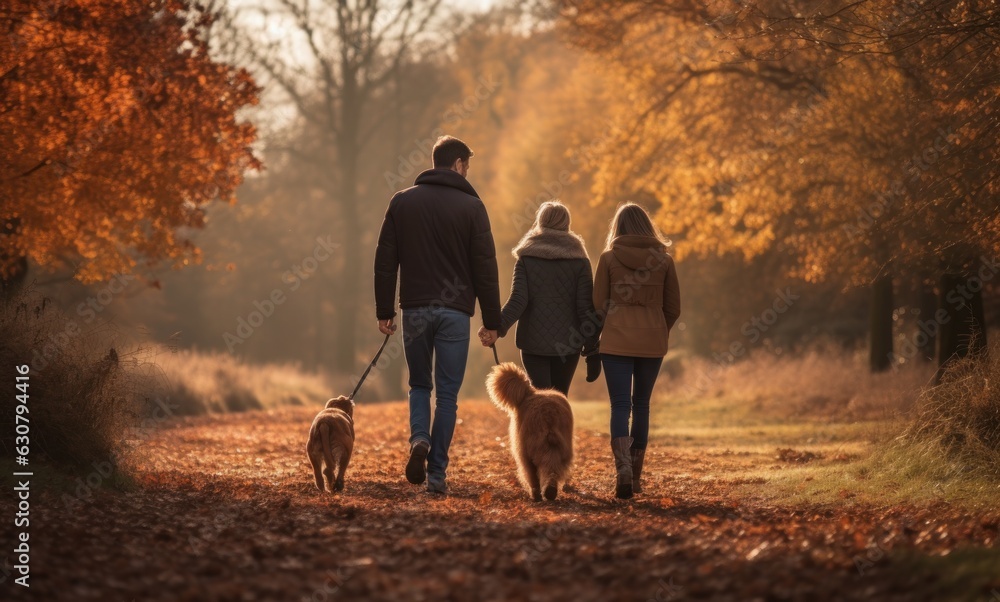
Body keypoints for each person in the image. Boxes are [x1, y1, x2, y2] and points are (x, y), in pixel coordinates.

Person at [374, 135, 502, 495]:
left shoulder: (402, 202)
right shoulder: (472, 208)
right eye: (467, 166)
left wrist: (384, 309)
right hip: (455, 314)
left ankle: (419, 439)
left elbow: (386, 261)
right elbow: (485, 269)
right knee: (447, 396)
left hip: (414, 308)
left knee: (418, 384)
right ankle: (437, 475)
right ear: (459, 164)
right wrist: (493, 322)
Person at [593, 202, 680, 499]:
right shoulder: (664, 262)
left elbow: (598, 306)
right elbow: (673, 308)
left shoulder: (607, 259)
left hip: (615, 340)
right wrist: (657, 327)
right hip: (652, 342)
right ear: (647, 226)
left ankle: (623, 471)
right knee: (641, 404)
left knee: (620, 406)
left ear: (618, 227)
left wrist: (601, 334)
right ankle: (637, 475)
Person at [480, 201, 600, 395]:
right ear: (566, 224)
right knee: (559, 399)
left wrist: (496, 327)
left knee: (539, 401)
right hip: (569, 345)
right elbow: (585, 308)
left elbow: (518, 300)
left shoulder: (527, 257)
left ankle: (537, 426)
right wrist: (592, 349)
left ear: (540, 222)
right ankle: (557, 427)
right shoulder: (580, 260)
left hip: (533, 344)